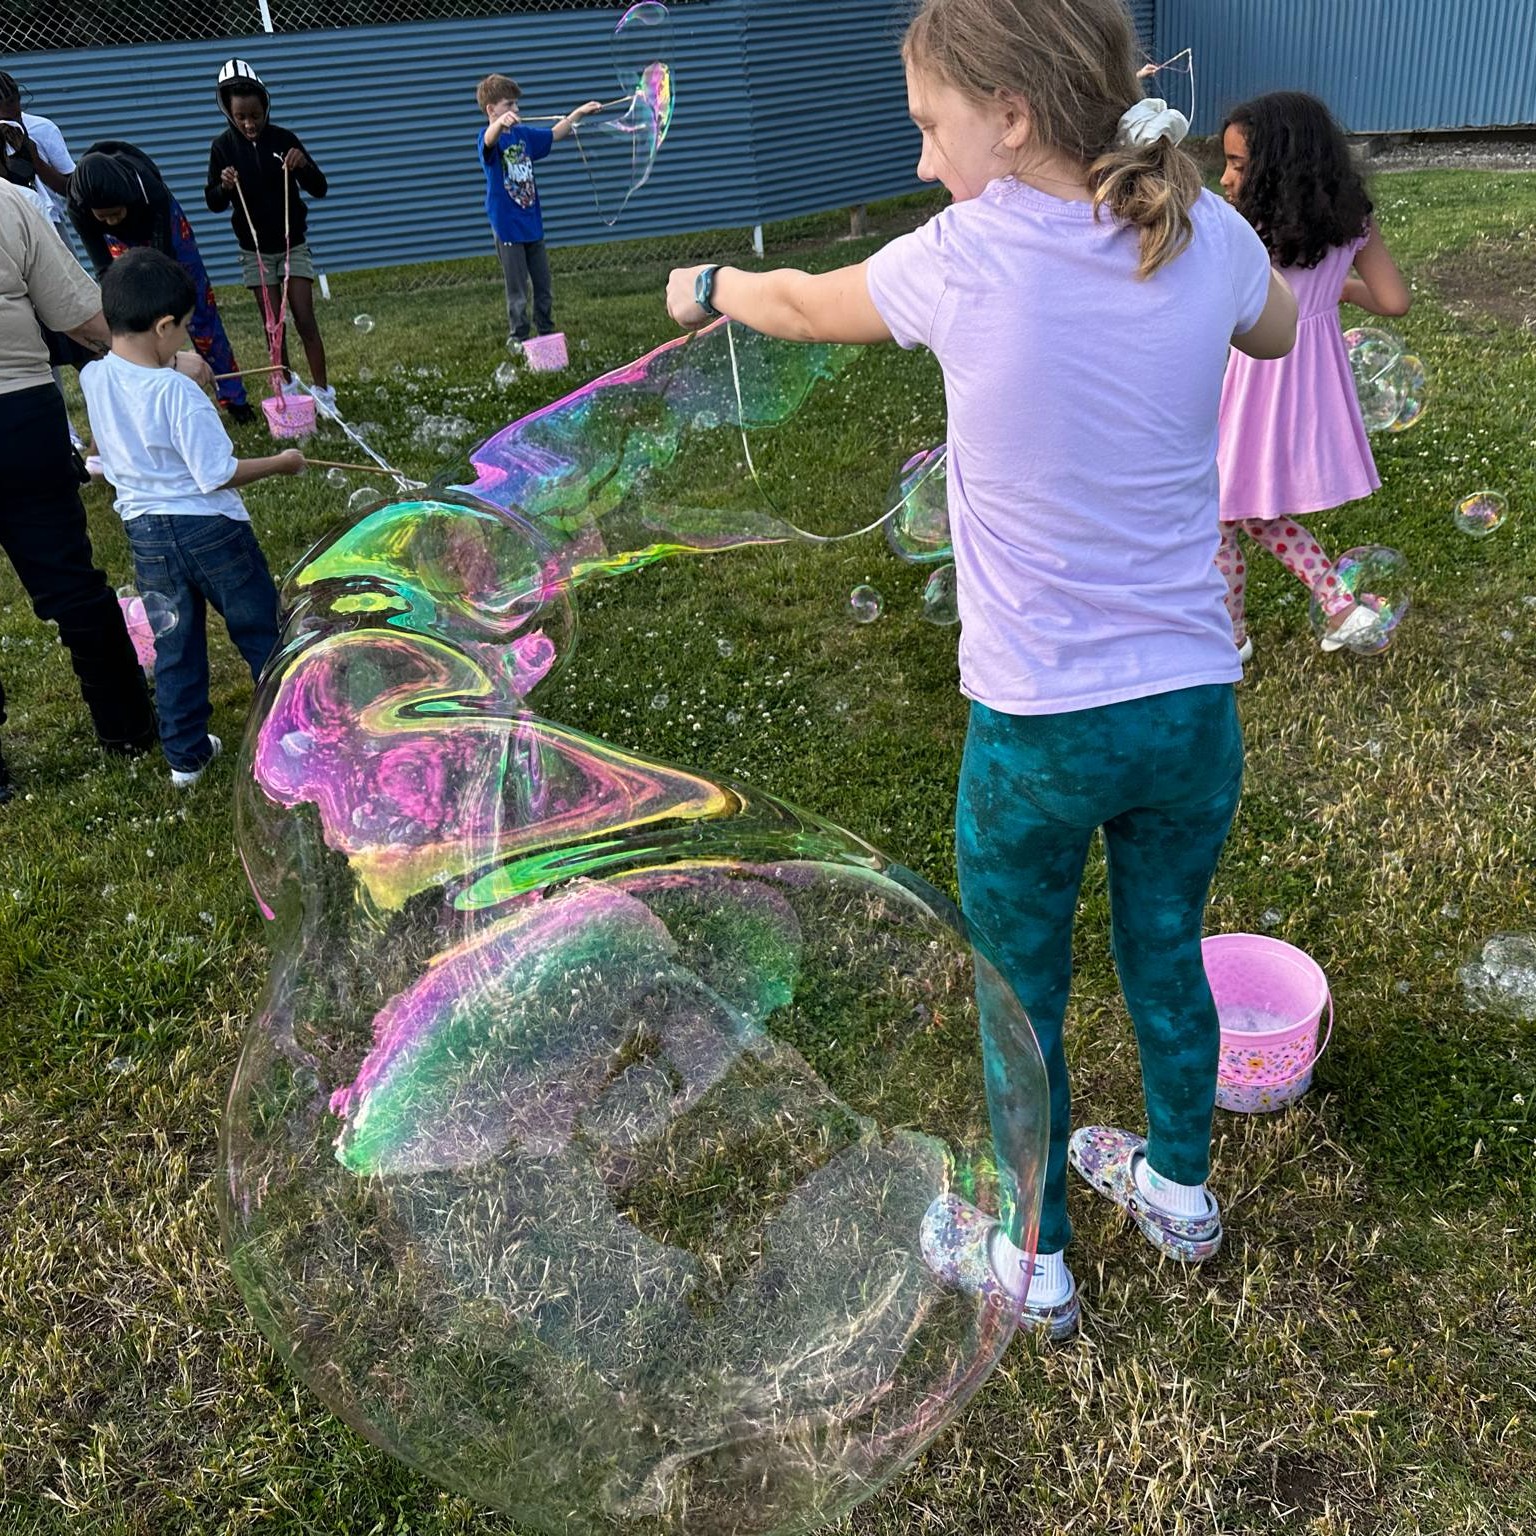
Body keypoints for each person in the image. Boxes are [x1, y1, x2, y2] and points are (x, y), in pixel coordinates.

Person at [665, 0, 1297, 1339]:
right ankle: (1180, 1191)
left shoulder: (961, 257)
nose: (918, 160)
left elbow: (793, 301)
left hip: (1038, 736)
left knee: (1022, 999)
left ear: (1010, 116)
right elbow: (1280, 331)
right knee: (1165, 948)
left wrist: (710, 286)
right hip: (1192, 709)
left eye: (928, 127)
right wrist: (1191, 226)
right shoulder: (1205, 231)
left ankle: (1032, 1254)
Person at [79, 249, 304, 787]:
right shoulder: (178, 391)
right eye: (182, 329)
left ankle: (185, 756)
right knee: (259, 629)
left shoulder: (92, 378)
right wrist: (281, 462)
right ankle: (295, 738)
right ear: (162, 326)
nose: (186, 339)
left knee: (174, 642)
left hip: (146, 536)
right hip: (211, 530)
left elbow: (110, 446)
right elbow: (216, 472)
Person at [1217, 92, 1412, 659]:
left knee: (1226, 514)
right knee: (1245, 512)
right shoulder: (1353, 220)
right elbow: (1394, 300)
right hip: (1310, 382)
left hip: (1257, 381)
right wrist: (1335, 292)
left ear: (1273, 170)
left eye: (1238, 165)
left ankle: (1234, 641)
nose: (1226, 178)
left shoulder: (1247, 229)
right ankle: (1334, 607)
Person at [0, 179, 163, 803]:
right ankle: (127, 727)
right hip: (19, 415)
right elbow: (82, 316)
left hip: (19, 410)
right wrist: (163, 359)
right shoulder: (9, 201)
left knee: (74, 585)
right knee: (70, 580)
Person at [68, 140, 254, 422]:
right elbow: (104, 268)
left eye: (116, 213)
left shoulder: (149, 192)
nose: (110, 221)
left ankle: (233, 397)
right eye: (102, 217)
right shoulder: (79, 208)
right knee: (140, 320)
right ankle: (163, 399)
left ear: (125, 200)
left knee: (197, 309)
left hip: (164, 231)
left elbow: (163, 260)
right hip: (121, 244)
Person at [205, 58, 333, 407]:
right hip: (254, 251)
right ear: (228, 112)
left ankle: (323, 394)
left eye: (255, 116)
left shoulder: (285, 140)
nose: (249, 123)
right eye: (240, 117)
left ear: (266, 108)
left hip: (294, 246)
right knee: (273, 327)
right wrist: (224, 185)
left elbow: (320, 187)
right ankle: (288, 390)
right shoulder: (222, 148)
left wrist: (302, 164)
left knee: (305, 319)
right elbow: (212, 202)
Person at [476, 73, 602, 345]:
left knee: (543, 285)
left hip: (532, 223)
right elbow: (488, 139)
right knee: (518, 289)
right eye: (509, 105)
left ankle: (546, 333)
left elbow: (556, 133)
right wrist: (499, 125)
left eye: (516, 105)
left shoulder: (523, 135)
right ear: (491, 109)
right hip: (507, 226)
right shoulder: (490, 141)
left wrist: (578, 112)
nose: (516, 110)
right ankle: (519, 338)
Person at [0, 70, 75, 240]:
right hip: (6, 230)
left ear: (19, 98)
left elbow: (71, 190)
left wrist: (34, 158)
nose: (6, 113)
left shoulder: (43, 129)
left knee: (65, 266)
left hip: (48, 223)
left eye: (11, 103)